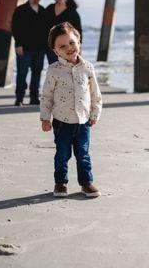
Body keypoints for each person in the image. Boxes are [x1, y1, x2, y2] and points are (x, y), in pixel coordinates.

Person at [40, 22, 102, 198]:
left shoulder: (88, 68)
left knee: (83, 155)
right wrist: (45, 118)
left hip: (83, 122)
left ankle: (86, 183)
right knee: (62, 155)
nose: (69, 48)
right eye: (62, 46)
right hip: (61, 122)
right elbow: (47, 96)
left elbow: (95, 94)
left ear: (79, 42)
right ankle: (60, 183)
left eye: (72, 43)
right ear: (55, 51)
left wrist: (95, 113)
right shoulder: (53, 70)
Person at [11, 0, 46, 106]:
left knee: (36, 74)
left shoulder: (43, 10)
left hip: (40, 49)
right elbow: (15, 28)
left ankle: (34, 98)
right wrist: (18, 44)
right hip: (24, 49)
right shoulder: (20, 10)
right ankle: (19, 98)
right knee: (22, 73)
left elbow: (46, 30)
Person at [45, 0, 82, 64]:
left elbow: (78, 31)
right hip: (52, 48)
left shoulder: (72, 12)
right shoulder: (49, 8)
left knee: (67, 70)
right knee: (55, 70)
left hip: (67, 47)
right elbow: (43, 26)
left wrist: (78, 47)